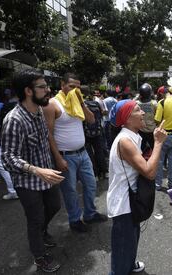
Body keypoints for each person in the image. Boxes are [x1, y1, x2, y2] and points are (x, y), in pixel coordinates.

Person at [1, 69, 64, 273]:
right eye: (42, 87)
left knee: (54, 205)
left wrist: (56, 161)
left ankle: (41, 232)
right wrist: (36, 170)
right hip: (28, 182)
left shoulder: (38, 111)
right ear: (28, 91)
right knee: (35, 219)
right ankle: (40, 257)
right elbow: (7, 158)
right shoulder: (14, 120)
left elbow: (46, 140)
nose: (48, 90)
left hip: (46, 175)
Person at [107, 99, 167, 275]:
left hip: (130, 201)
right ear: (126, 118)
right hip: (123, 205)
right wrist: (158, 143)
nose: (143, 113)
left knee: (132, 240)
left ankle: (130, 265)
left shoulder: (132, 137)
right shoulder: (125, 141)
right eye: (138, 110)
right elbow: (149, 172)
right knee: (122, 251)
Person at [43, 73, 107, 235]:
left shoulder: (78, 102)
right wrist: (58, 158)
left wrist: (81, 102)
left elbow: (91, 120)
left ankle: (90, 214)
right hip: (66, 156)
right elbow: (48, 134)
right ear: (62, 85)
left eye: (78, 87)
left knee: (91, 184)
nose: (75, 90)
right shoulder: (52, 104)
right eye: (72, 86)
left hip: (83, 152)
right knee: (70, 190)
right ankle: (74, 220)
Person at [136, 83, 157, 154]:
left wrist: (137, 97)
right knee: (154, 150)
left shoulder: (137, 103)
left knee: (140, 150)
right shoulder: (154, 103)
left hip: (141, 130)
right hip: (152, 130)